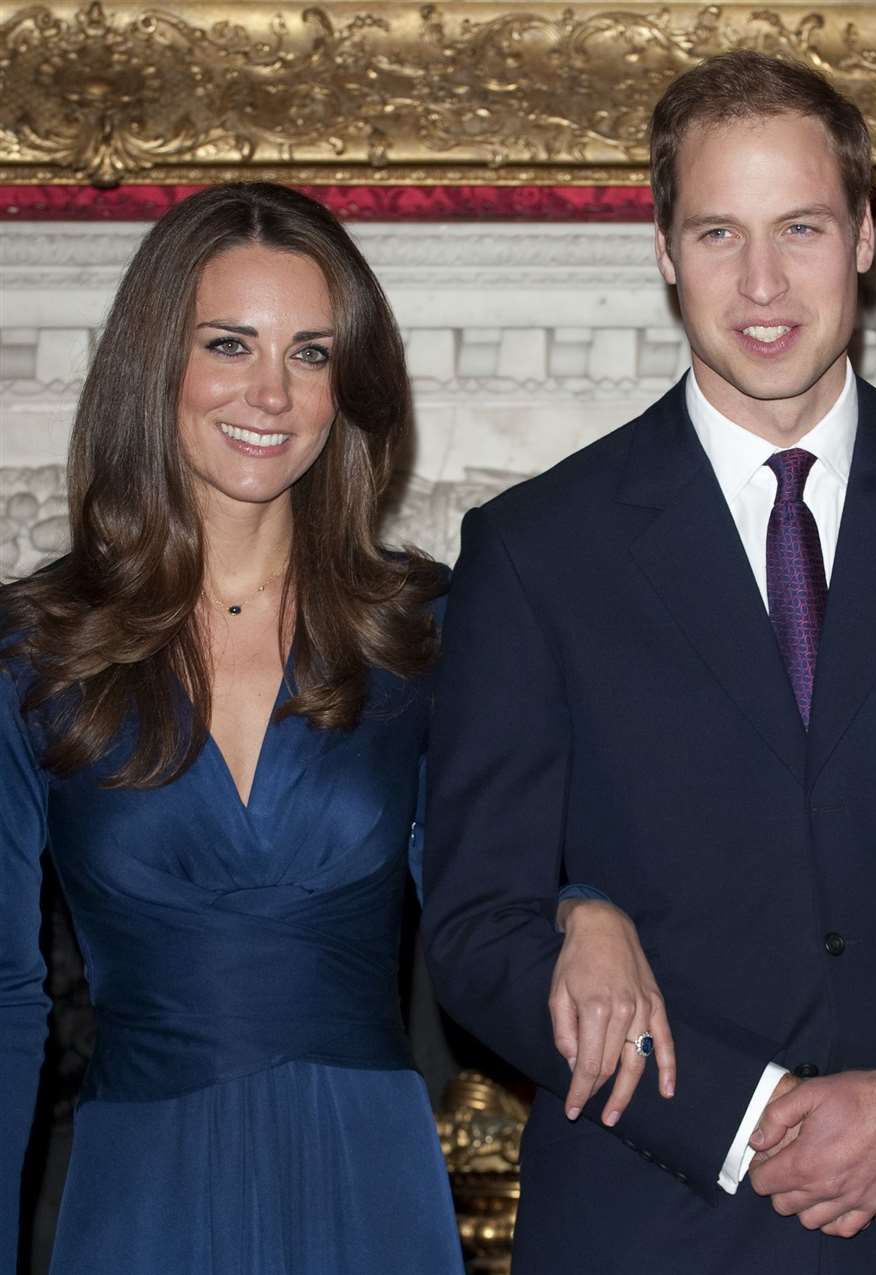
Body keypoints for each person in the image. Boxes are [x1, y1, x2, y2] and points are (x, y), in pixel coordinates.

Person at [421, 50, 876, 1275]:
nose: (762, 282)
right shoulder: (533, 552)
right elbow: (475, 926)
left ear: (866, 238)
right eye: (719, 232)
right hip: (645, 1219)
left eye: (802, 229)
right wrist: (733, 1118)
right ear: (665, 251)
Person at [0, 181, 662, 1274]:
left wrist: (587, 906)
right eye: (230, 344)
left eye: (310, 354)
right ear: (155, 363)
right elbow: (9, 998)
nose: (272, 393)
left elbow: (482, 878)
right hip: (139, 1195)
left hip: (368, 1182)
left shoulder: (425, 632)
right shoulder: (38, 650)